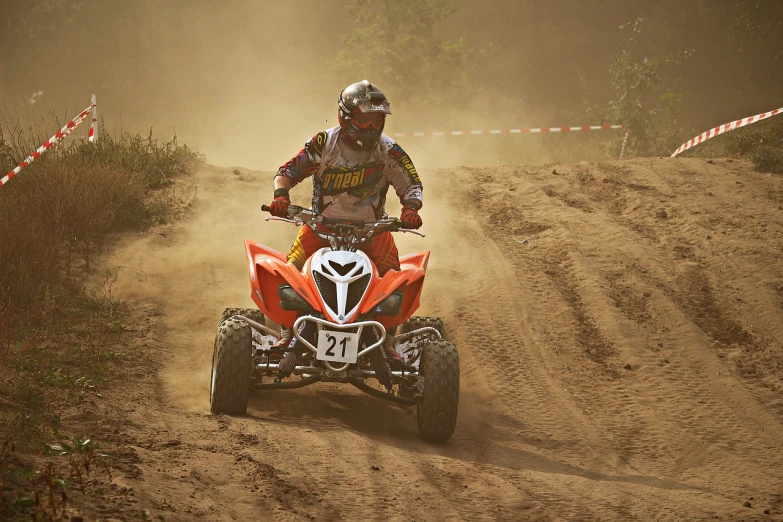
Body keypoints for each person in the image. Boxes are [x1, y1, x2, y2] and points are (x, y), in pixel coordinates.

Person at [268, 80, 424, 352]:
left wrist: (410, 209)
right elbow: (287, 172)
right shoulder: (324, 143)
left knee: (394, 283)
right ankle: (286, 334)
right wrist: (281, 197)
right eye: (366, 119)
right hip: (319, 227)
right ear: (347, 116)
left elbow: (412, 185)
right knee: (289, 273)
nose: (373, 127)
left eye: (377, 120)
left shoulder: (389, 150)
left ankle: (386, 342)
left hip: (373, 231)